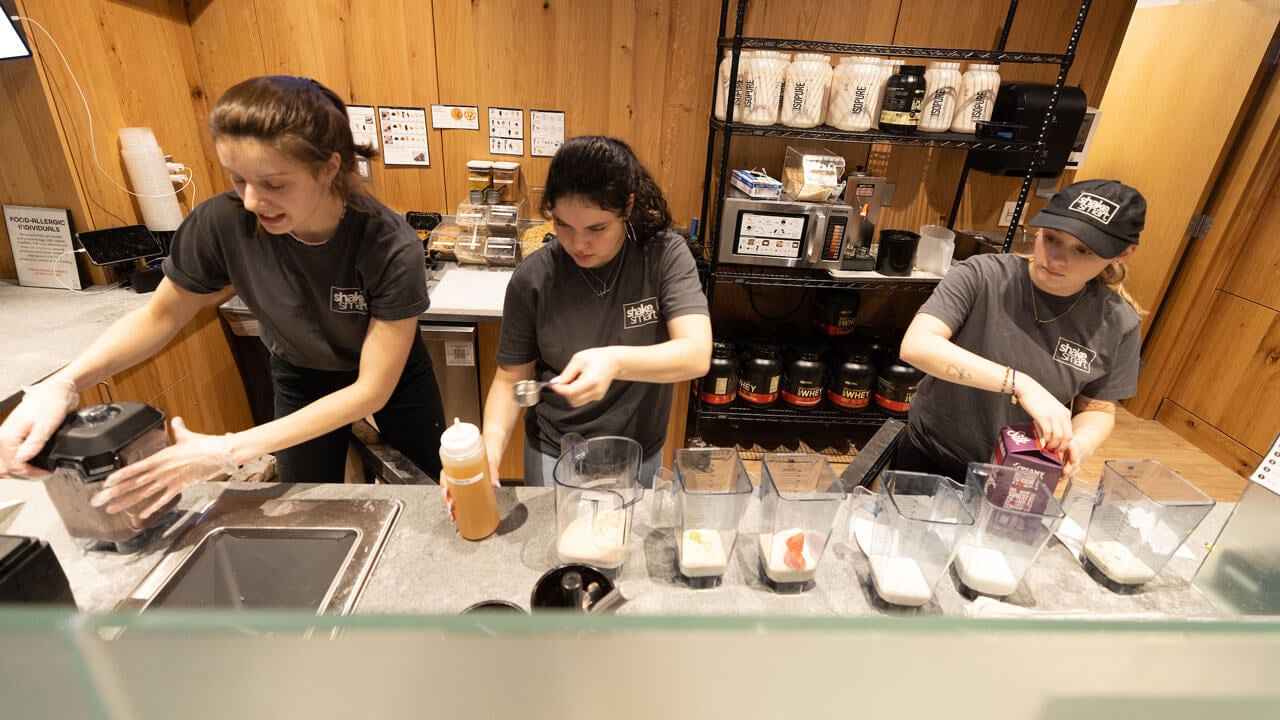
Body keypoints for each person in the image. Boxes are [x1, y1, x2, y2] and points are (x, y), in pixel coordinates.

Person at [0, 75, 445, 516]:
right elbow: (160, 317)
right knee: (310, 504)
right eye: (237, 180)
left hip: (394, 378)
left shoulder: (389, 244)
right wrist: (64, 383)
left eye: (273, 184)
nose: (252, 201)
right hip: (300, 372)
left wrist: (228, 449)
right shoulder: (222, 224)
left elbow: (371, 389)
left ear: (329, 168)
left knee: (425, 494)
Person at [482, 135, 712, 487]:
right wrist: (489, 453)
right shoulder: (534, 278)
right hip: (554, 454)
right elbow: (511, 380)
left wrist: (614, 361)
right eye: (562, 225)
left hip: (637, 453)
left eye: (597, 228)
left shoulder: (663, 255)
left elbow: (696, 355)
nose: (578, 244)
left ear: (628, 207)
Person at [895, 178, 1146, 481]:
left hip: (1021, 475)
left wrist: (1080, 442)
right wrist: (1020, 383)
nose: (1057, 258)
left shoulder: (1118, 323)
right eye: (1051, 238)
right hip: (932, 455)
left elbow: (1099, 408)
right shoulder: (982, 275)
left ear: (1124, 253)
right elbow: (917, 345)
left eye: (1082, 250)